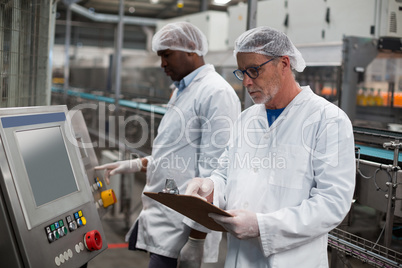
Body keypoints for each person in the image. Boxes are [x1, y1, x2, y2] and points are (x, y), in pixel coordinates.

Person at [185, 26, 356, 267]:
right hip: (238, 258)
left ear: (284, 64)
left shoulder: (328, 120)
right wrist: (210, 187)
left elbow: (333, 202)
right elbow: (226, 172)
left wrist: (263, 226)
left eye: (254, 70)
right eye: (241, 72)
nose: (246, 81)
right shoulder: (246, 119)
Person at [95, 22, 240, 268]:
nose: (162, 63)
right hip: (165, 215)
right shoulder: (181, 90)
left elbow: (214, 172)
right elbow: (177, 152)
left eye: (166, 54)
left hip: (184, 226)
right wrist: (135, 164)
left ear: (192, 49)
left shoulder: (216, 93)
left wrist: (196, 239)